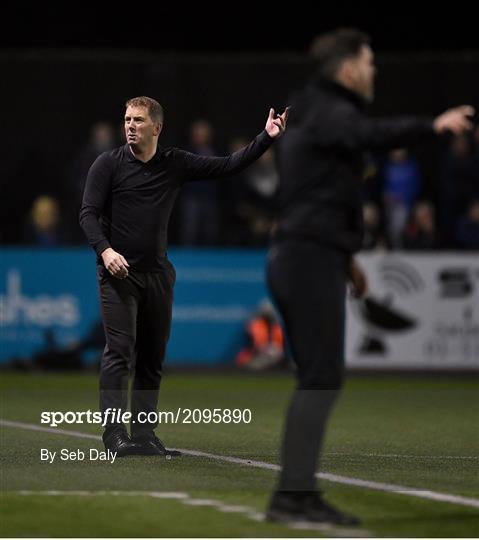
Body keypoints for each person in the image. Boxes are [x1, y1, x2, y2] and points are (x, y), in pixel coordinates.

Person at [265, 28, 474, 526]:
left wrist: (345, 259)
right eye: (370, 61)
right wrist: (434, 126)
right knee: (320, 377)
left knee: (319, 377)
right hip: (305, 256)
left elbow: (314, 191)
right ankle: (293, 498)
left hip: (309, 254)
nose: (375, 71)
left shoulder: (313, 109)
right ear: (349, 68)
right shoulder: (328, 108)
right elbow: (367, 136)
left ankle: (294, 495)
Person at [80, 96, 288, 458]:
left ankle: (144, 435)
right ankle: (114, 434)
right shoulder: (107, 165)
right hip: (119, 273)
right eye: (127, 119)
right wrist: (105, 250)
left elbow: (227, 166)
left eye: (139, 120)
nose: (130, 125)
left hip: (158, 274)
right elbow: (88, 214)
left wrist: (265, 138)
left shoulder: (173, 162)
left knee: (152, 356)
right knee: (119, 351)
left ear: (156, 128)